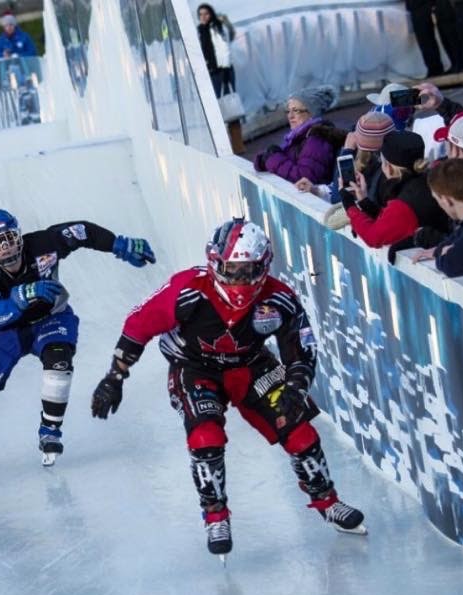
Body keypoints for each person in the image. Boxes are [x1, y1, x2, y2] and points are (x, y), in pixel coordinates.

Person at [90, 217, 365, 558]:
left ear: (263, 267)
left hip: (251, 365)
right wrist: (114, 377)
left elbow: (301, 348)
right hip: (194, 368)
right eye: (230, 270)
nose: (237, 281)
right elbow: (138, 326)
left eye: (246, 271)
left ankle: (328, 501)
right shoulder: (187, 289)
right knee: (205, 436)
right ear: (214, 263)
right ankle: (215, 515)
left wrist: (295, 387)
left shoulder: (279, 299)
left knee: (299, 432)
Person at [0, 210, 156, 472]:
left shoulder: (45, 243)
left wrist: (119, 244)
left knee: (59, 361)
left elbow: (83, 231)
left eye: (9, 238)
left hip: (50, 319)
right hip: (3, 334)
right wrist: (17, 298)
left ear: (19, 236)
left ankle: (50, 429)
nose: (5, 247)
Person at [341, 131, 452, 248]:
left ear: (389, 168)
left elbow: (373, 237)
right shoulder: (425, 180)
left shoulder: (405, 202)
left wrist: (349, 204)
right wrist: (364, 201)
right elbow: (390, 219)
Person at [253, 85, 343, 184]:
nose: (290, 116)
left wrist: (272, 158)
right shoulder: (299, 137)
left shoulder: (317, 140)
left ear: (312, 113)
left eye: (296, 111)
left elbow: (304, 179)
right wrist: (265, 159)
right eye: (288, 111)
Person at [412, 158, 463, 276]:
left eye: (436, 199)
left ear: (446, 200)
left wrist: (443, 257)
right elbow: (460, 234)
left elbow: (451, 263)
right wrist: (439, 250)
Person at [196, 4, 236, 98]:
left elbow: (224, 48)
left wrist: (226, 70)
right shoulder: (201, 30)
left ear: (211, 14)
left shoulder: (216, 27)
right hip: (212, 71)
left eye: (206, 14)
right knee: (219, 100)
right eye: (201, 14)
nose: (203, 17)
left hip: (223, 70)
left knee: (228, 99)